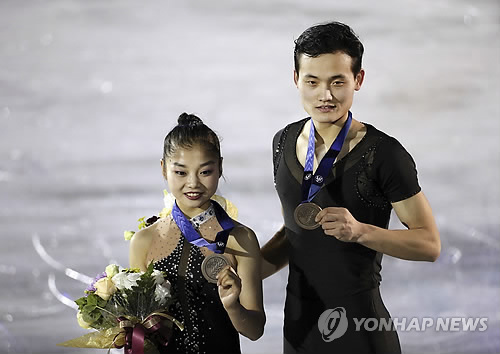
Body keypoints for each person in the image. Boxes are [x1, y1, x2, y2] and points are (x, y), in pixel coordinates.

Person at [261, 21, 441, 354]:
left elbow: (429, 244)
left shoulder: (384, 154)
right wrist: (244, 268)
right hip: (298, 330)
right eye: (312, 82)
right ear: (296, 78)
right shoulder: (283, 141)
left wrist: (359, 231)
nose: (325, 95)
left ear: (358, 80)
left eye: (337, 82)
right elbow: (296, 235)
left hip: (360, 330)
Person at [130, 113, 265, 354]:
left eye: (205, 172)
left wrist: (233, 306)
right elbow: (140, 329)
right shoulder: (144, 241)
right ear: (164, 169)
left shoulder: (239, 239)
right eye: (181, 172)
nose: (193, 183)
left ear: (220, 167)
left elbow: (255, 330)